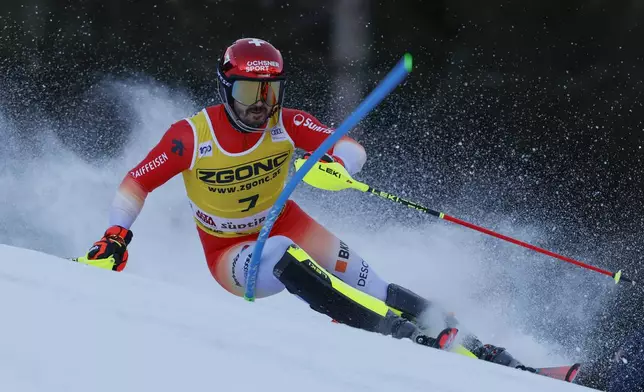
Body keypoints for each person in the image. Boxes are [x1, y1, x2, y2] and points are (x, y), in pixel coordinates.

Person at [77, 37, 524, 368]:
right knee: (283, 256)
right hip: (230, 254)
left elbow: (350, 147)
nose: (260, 105)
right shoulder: (192, 135)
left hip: (286, 220)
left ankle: (475, 343)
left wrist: (338, 167)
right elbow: (136, 182)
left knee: (369, 277)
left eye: (270, 92)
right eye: (249, 93)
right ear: (225, 88)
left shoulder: (286, 124)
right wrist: (116, 234)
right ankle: (389, 331)